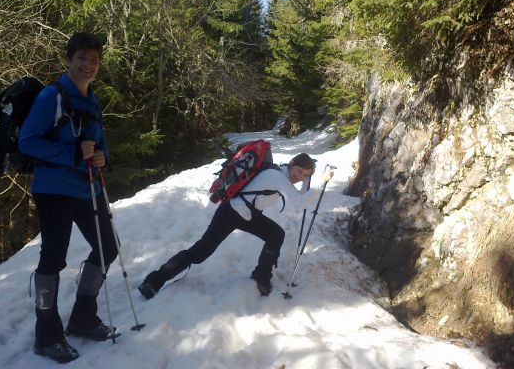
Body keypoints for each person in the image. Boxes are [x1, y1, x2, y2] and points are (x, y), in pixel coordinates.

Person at [19, 33, 116, 363]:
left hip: (89, 187)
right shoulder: (52, 96)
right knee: (53, 259)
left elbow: (97, 142)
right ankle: (46, 335)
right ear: (69, 60)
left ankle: (82, 318)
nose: (89, 65)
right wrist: (73, 152)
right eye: (82, 59)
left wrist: (102, 155)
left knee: (107, 248)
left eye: (94, 60)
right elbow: (28, 142)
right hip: (55, 189)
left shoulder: (93, 99)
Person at [138, 153, 334, 299]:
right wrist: (321, 182)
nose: (299, 177)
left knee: (276, 234)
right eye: (299, 171)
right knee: (200, 252)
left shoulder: (283, 175)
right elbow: (299, 202)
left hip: (248, 214)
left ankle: (262, 276)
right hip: (231, 212)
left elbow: (301, 196)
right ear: (291, 164)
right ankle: (153, 281)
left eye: (304, 175)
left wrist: (310, 179)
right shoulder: (277, 177)